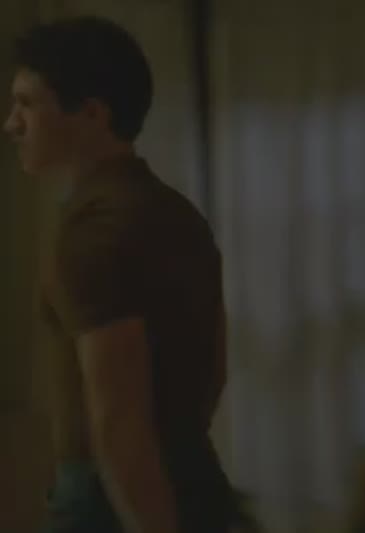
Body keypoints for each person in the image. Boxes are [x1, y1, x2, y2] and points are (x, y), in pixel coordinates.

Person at [5, 16, 232, 533]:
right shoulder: (177, 212)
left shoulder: (96, 231)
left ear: (92, 114)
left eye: (26, 104)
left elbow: (119, 425)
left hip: (113, 504)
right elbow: (214, 368)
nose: (11, 124)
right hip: (193, 476)